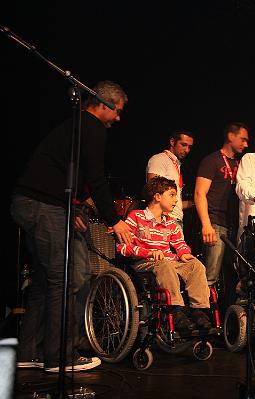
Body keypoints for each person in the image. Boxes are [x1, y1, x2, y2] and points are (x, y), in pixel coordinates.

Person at [10, 80, 131, 372]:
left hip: (28, 202)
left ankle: (28, 351)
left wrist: (73, 205)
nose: (118, 118)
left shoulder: (75, 126)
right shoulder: (92, 128)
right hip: (42, 205)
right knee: (62, 280)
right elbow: (97, 178)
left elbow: (65, 175)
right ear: (103, 105)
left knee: (43, 279)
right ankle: (60, 358)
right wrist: (115, 221)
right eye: (117, 111)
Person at [117, 176, 212, 333]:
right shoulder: (136, 216)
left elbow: (179, 243)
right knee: (165, 264)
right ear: (157, 196)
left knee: (195, 265)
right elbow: (122, 247)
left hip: (167, 262)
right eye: (172, 195)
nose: (176, 200)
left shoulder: (170, 223)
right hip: (144, 262)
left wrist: (184, 253)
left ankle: (199, 311)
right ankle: (176, 311)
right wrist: (149, 252)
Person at [195, 122, 249, 287]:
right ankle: (202, 310)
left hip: (234, 224)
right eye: (243, 139)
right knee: (211, 274)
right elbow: (199, 193)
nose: (246, 145)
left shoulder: (240, 164)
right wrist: (206, 224)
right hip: (215, 222)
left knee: (233, 273)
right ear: (231, 136)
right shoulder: (212, 160)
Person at [146, 130, 195, 233]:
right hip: (164, 220)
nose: (187, 150)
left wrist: (195, 202)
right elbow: (153, 189)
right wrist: (163, 218)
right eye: (183, 145)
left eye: (189, 147)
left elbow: (173, 201)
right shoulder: (160, 159)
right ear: (172, 142)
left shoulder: (176, 165)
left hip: (174, 220)